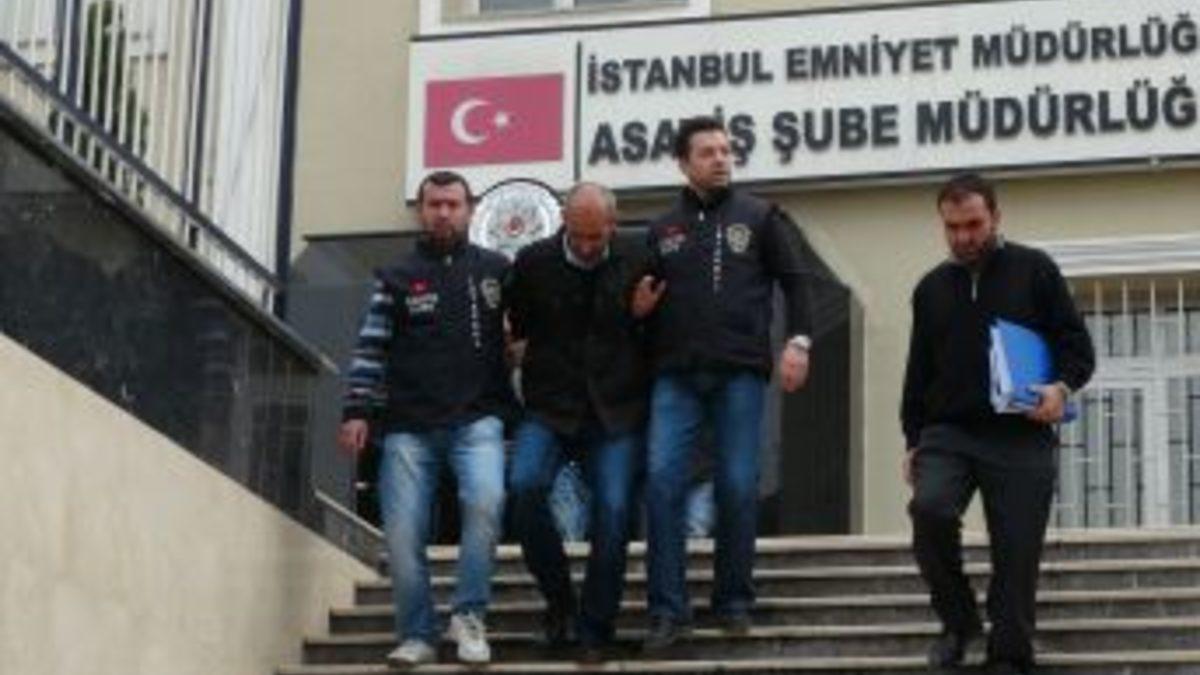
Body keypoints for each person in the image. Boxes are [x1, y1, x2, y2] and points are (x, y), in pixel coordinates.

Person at [901, 173, 1095, 674]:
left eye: (974, 224)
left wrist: (1060, 389)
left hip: (1020, 433)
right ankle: (959, 622)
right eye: (952, 227)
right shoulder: (929, 289)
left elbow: (1078, 348)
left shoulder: (1036, 270)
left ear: (995, 217)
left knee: (1017, 549)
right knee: (929, 509)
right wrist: (912, 439)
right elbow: (918, 370)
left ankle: (1009, 654)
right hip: (949, 433)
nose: (964, 237)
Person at [633, 116, 814, 650]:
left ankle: (734, 600)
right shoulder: (662, 228)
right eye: (707, 152)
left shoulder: (760, 216)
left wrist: (799, 343)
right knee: (662, 483)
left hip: (740, 371)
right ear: (683, 162)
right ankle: (668, 611)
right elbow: (641, 301)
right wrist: (637, 311)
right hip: (675, 375)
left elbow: (797, 282)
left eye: (725, 150)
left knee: (737, 484)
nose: (720, 159)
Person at [337, 170, 514, 667]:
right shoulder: (395, 275)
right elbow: (370, 347)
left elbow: (523, 334)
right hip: (407, 428)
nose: (443, 213)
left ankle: (469, 616)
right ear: (420, 210)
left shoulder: (498, 270)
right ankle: (417, 633)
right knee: (401, 536)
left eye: (453, 204)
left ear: (470, 209)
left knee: (486, 503)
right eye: (434, 204)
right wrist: (356, 411)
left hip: (478, 421)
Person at [505, 182, 651, 661]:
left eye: (596, 236)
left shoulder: (639, 258)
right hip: (550, 406)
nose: (587, 247)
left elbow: (657, 330)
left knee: (614, 510)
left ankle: (595, 629)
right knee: (525, 487)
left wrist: (642, 317)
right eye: (578, 235)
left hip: (615, 410)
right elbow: (518, 328)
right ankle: (561, 604)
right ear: (564, 223)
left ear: (613, 225)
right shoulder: (532, 262)